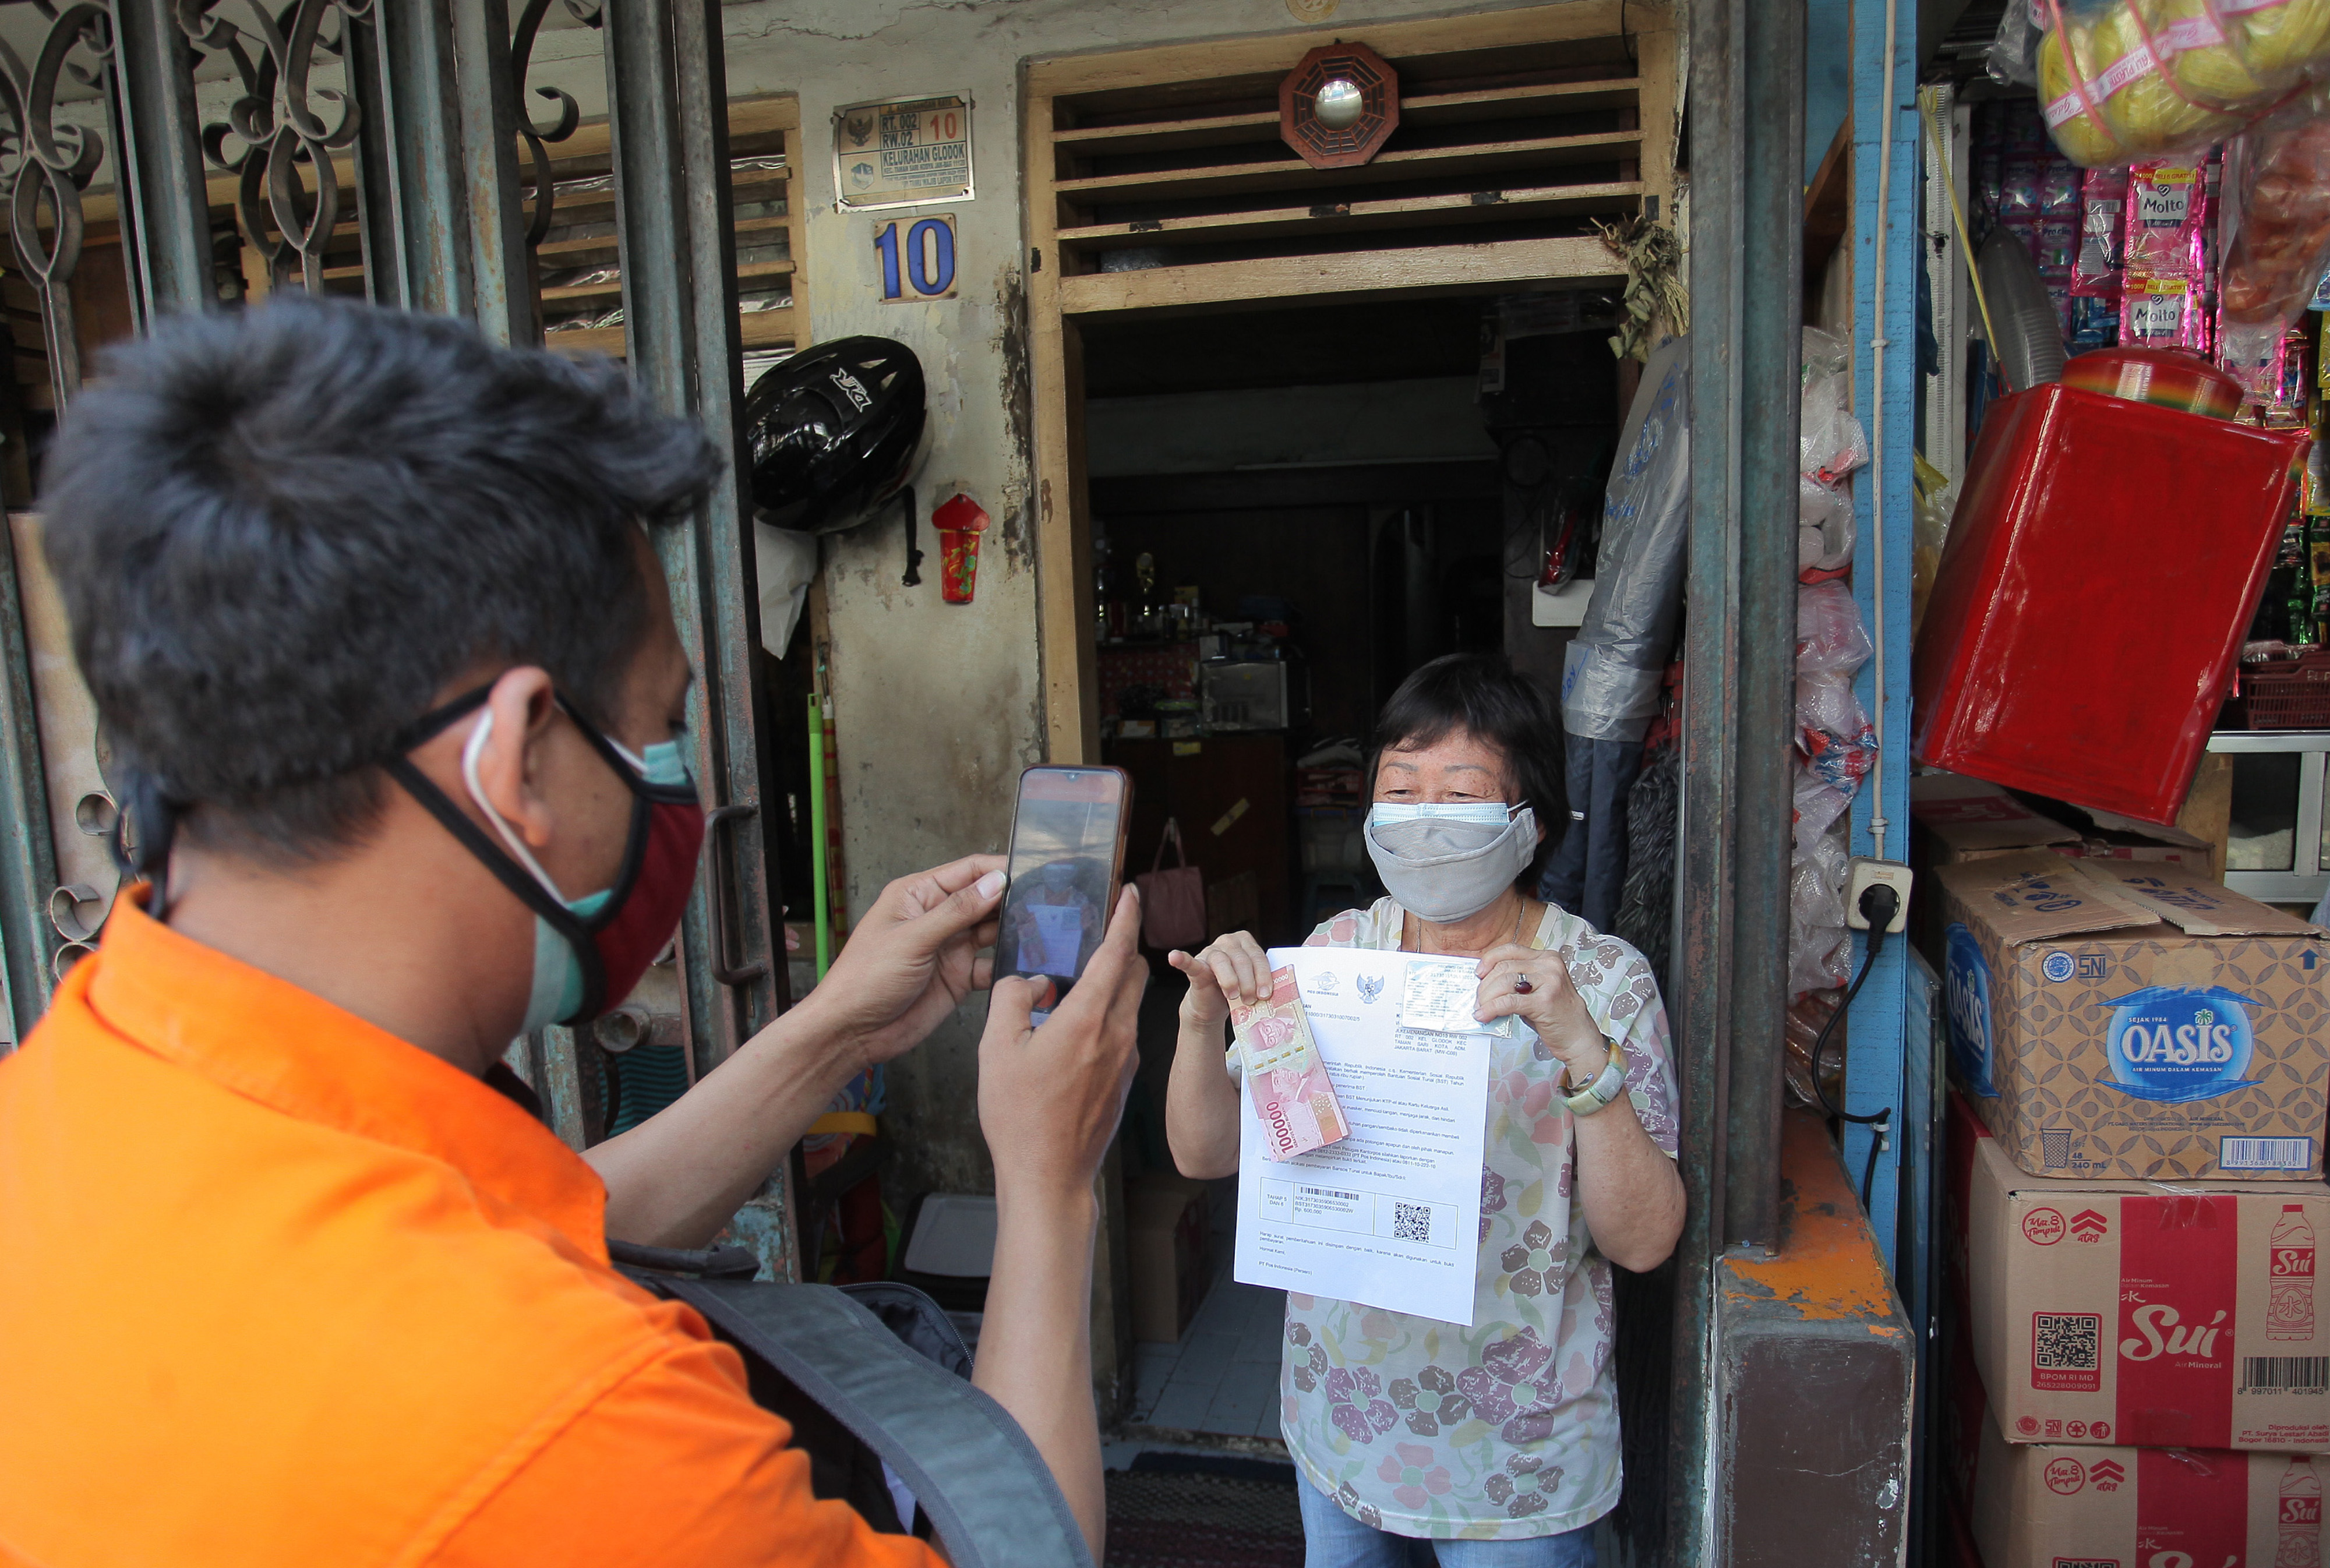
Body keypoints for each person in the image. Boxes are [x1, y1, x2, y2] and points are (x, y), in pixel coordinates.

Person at [0, 297, 1144, 1566]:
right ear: (519, 758)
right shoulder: (580, 1430)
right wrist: (1049, 1180)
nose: (685, 785)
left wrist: (834, 1028)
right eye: (660, 724)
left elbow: (533, 1221)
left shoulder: (97, 1066)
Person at [1165, 653, 1686, 1568]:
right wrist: (1203, 1019)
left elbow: (1641, 1242)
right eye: (1400, 791)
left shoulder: (1600, 981)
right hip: (1343, 1428)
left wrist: (1581, 1050)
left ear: (1530, 822)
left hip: (1519, 1460)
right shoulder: (1334, 962)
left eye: (1460, 794)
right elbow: (1206, 1154)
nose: (1424, 820)